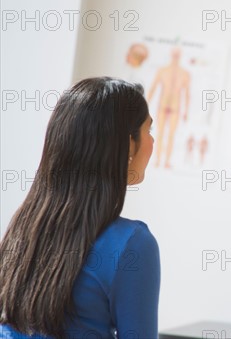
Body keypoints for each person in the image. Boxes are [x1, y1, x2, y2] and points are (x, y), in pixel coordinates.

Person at [0, 78, 160, 338]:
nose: (152, 143)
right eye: (149, 131)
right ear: (129, 144)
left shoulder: (21, 229)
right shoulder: (133, 245)